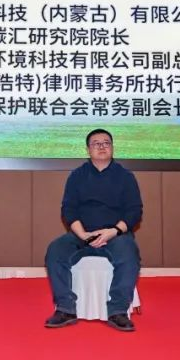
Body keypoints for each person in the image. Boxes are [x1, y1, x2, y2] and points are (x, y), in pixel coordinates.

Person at [44, 129, 142, 332]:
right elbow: (68, 209)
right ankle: (65, 308)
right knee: (55, 251)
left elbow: (134, 211)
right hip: (82, 234)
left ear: (112, 147)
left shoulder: (125, 177)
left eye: (106, 143)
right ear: (88, 149)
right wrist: (82, 234)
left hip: (115, 235)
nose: (102, 147)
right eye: (96, 143)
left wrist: (113, 231)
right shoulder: (77, 176)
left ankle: (117, 311)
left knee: (129, 253)